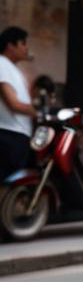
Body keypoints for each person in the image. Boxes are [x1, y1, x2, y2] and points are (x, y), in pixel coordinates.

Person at [0, 26, 36, 181]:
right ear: (10, 45)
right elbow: (13, 103)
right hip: (9, 135)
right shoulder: (2, 64)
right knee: (9, 185)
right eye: (23, 43)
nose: (26, 48)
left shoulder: (14, 69)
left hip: (18, 134)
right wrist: (40, 112)